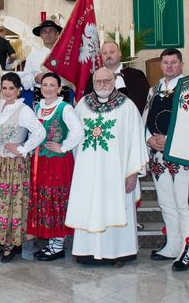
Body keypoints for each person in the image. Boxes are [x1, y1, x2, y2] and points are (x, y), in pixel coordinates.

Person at [67, 68, 148, 266]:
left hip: (118, 173)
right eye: (98, 81)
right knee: (90, 206)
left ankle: (119, 253)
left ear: (114, 81)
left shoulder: (127, 106)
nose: (102, 85)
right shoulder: (83, 106)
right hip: (88, 173)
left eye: (107, 80)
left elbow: (136, 140)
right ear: (93, 83)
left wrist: (133, 173)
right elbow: (73, 138)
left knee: (115, 207)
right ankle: (87, 252)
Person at [144, 48, 189, 271]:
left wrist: (168, 139)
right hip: (158, 156)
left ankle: (186, 251)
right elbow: (146, 118)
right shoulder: (154, 90)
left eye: (173, 62)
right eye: (166, 63)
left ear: (181, 64)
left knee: (183, 204)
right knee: (166, 204)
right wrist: (149, 138)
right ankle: (172, 245)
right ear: (160, 65)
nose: (169, 66)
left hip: (180, 156)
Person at [0, 72, 45, 262]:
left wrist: (23, 148)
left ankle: (11, 244)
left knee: (13, 202)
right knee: (0, 202)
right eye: (4, 88)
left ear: (19, 90)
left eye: (12, 88)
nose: (8, 91)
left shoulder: (23, 110)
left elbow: (39, 132)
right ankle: (2, 240)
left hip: (13, 164)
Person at [28, 73, 84, 261]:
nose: (49, 88)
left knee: (57, 200)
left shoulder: (65, 108)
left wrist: (63, 147)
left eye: (53, 85)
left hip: (59, 163)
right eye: (45, 85)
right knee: (46, 200)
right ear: (40, 88)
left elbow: (78, 132)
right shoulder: (37, 107)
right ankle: (52, 243)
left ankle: (58, 245)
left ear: (59, 88)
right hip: (41, 161)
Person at [84, 40, 150, 113]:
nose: (108, 56)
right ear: (101, 56)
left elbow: (146, 102)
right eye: (104, 53)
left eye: (112, 52)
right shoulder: (94, 77)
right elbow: (87, 104)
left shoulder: (135, 75)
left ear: (120, 53)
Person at [21, 19, 70, 106]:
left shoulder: (67, 54)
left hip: (63, 96)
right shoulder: (33, 56)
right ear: (40, 35)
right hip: (40, 98)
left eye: (51, 31)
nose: (48, 34)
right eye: (44, 31)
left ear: (57, 34)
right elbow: (25, 81)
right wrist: (35, 79)